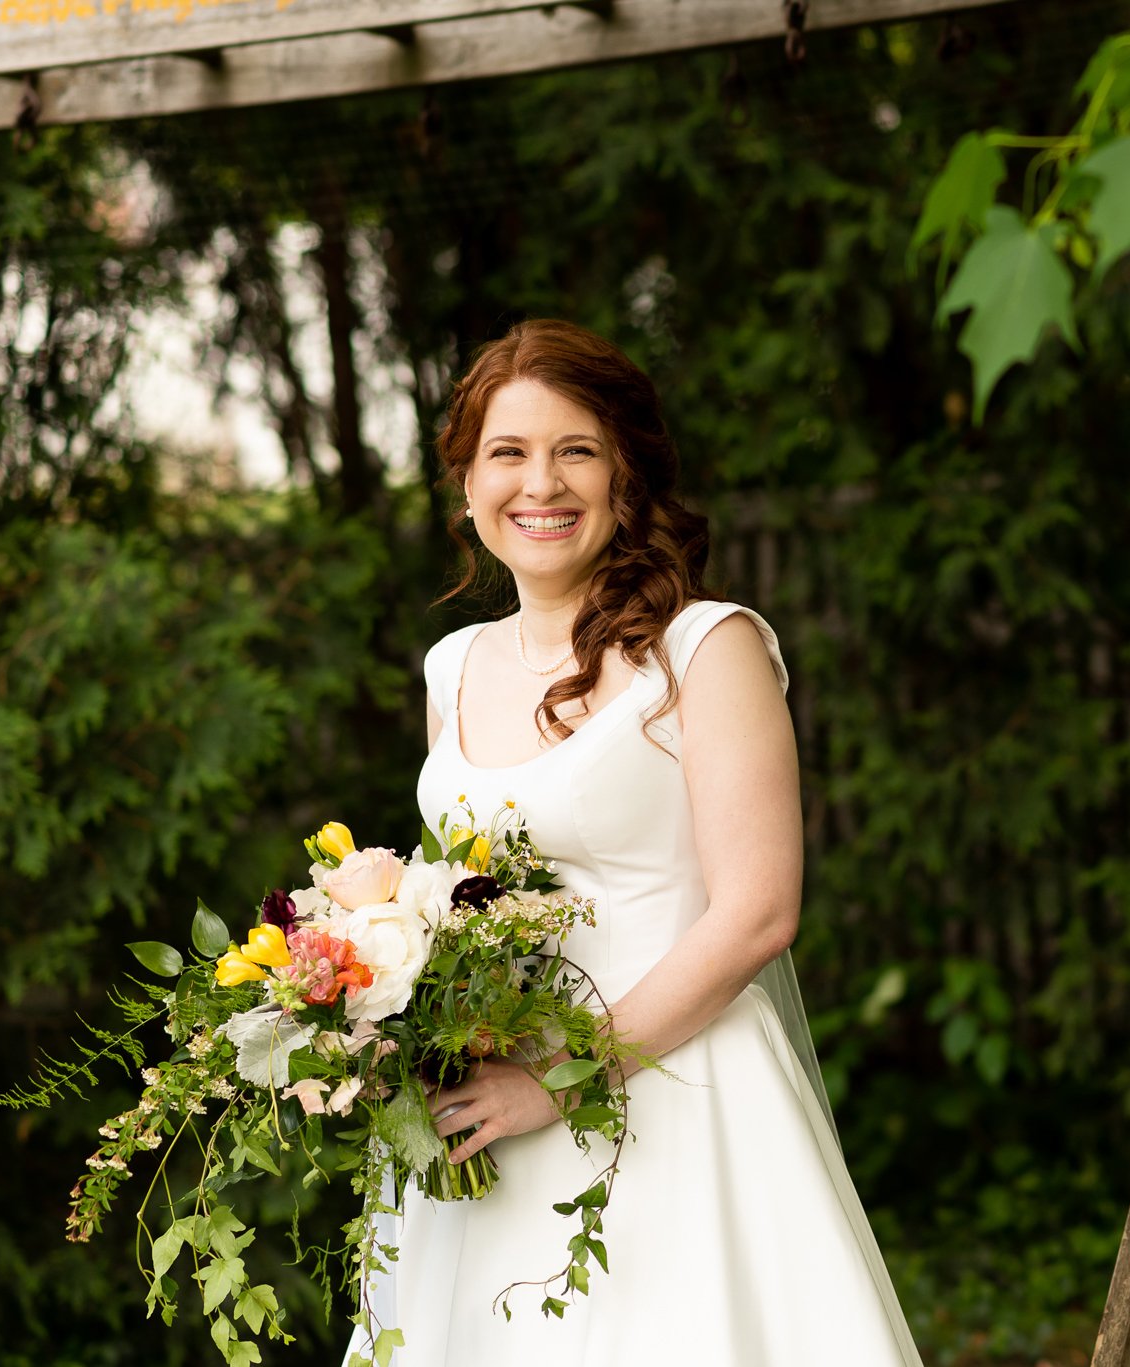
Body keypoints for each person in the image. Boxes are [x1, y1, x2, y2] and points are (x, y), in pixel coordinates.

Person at [342, 318, 925, 1365]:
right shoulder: (452, 667)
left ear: (626, 475)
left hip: (678, 1102)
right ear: (466, 485)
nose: (541, 483)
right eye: (507, 453)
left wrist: (558, 1077)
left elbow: (756, 912)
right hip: (488, 1111)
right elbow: (462, 900)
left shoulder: (708, 648)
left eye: (577, 450)